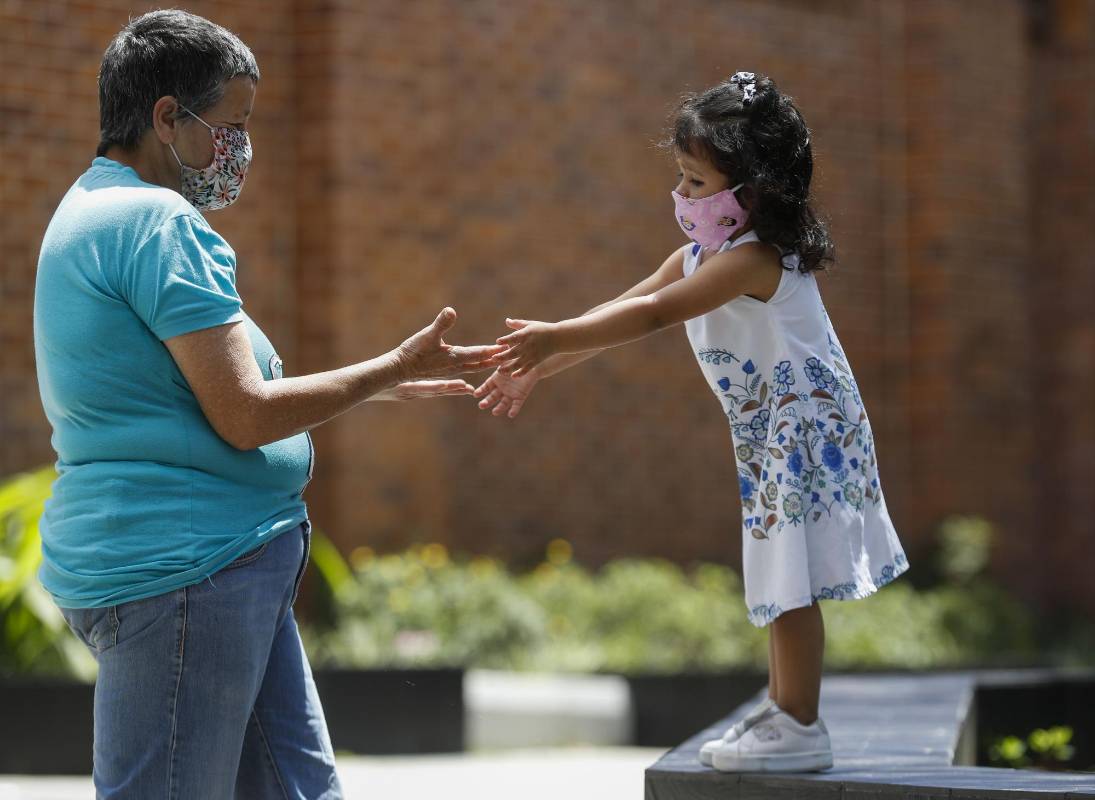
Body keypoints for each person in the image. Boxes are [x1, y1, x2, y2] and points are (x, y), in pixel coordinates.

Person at [33, 10, 502, 799]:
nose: (242, 147)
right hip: (186, 572)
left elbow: (190, 392)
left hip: (215, 568)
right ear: (167, 118)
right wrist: (389, 365)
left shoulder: (92, 207)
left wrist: (378, 383)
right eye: (234, 124)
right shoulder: (157, 223)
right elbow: (244, 414)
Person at [475, 72, 910, 773]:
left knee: (786, 573)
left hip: (804, 432)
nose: (681, 198)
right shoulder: (700, 256)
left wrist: (551, 339)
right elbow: (609, 319)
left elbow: (653, 314)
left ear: (757, 191)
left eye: (697, 183)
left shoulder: (754, 261)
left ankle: (800, 724)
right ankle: (784, 710)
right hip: (775, 431)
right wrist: (537, 362)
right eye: (679, 179)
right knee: (775, 565)